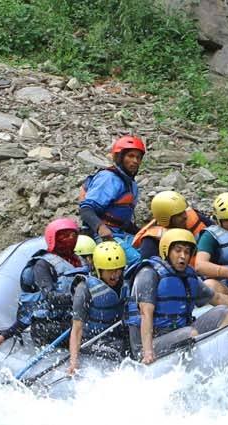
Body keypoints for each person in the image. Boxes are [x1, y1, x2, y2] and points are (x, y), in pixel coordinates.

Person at [130, 228, 228, 364]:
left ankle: (223, 361)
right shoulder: (149, 273)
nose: (183, 256)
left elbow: (217, 298)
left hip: (181, 332)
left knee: (224, 312)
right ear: (167, 251)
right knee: (190, 334)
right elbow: (145, 314)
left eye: (187, 252)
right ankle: (203, 365)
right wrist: (147, 353)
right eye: (178, 250)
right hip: (149, 343)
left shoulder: (188, 276)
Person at [0, 218, 87, 350]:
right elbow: (49, 299)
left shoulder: (81, 261)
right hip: (46, 325)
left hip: (74, 320)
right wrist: (4, 336)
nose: (69, 239)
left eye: (73, 235)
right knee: (85, 332)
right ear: (53, 239)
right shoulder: (42, 265)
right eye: (64, 236)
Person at [67, 241, 135, 375]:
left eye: (118, 269)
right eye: (109, 271)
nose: (115, 275)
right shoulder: (84, 288)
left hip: (114, 335)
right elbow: (77, 328)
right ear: (99, 269)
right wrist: (73, 362)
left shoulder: (126, 283)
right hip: (90, 340)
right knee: (120, 350)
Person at [77, 135, 146, 265]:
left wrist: (143, 233)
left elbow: (122, 222)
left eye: (138, 157)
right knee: (138, 261)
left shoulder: (131, 184)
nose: (135, 161)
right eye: (130, 156)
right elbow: (85, 209)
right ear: (120, 158)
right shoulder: (108, 178)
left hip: (120, 233)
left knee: (151, 251)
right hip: (102, 236)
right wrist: (101, 228)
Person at [130, 190, 211, 261]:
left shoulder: (193, 216)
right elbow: (148, 268)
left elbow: (217, 232)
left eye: (184, 211)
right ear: (166, 218)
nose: (185, 216)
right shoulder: (151, 240)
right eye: (179, 215)